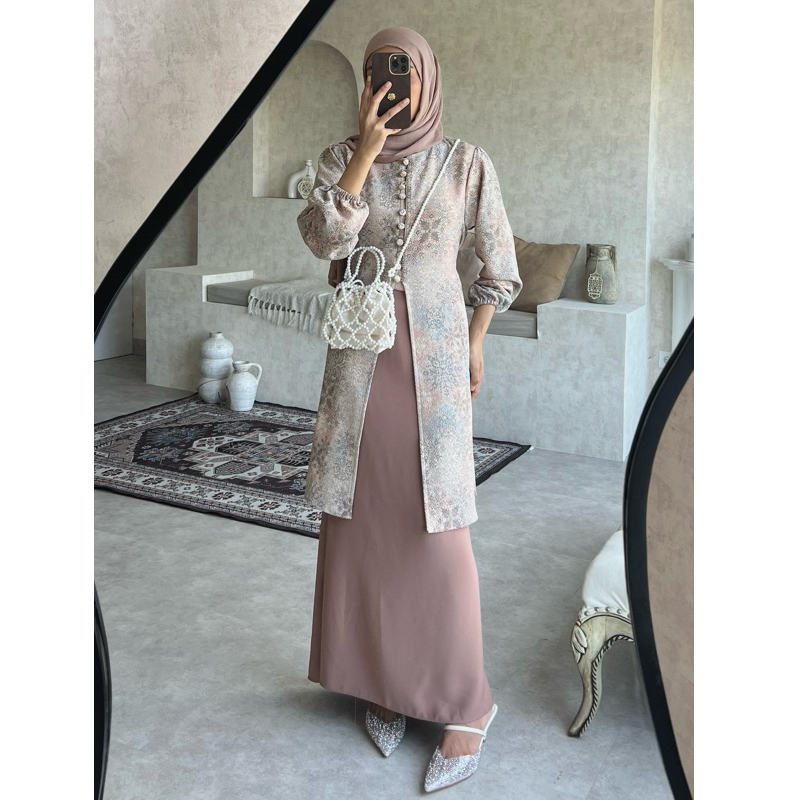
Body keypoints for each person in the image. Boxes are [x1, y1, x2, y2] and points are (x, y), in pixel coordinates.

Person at [296, 27, 522, 793]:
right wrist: (363, 153)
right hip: (359, 363)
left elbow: (499, 267)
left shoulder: (466, 163)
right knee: (366, 524)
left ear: (427, 77)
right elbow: (325, 243)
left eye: (401, 70)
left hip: (434, 364)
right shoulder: (337, 160)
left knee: (438, 531)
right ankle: (383, 682)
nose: (387, 82)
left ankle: (468, 702)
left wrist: (477, 342)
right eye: (373, 71)